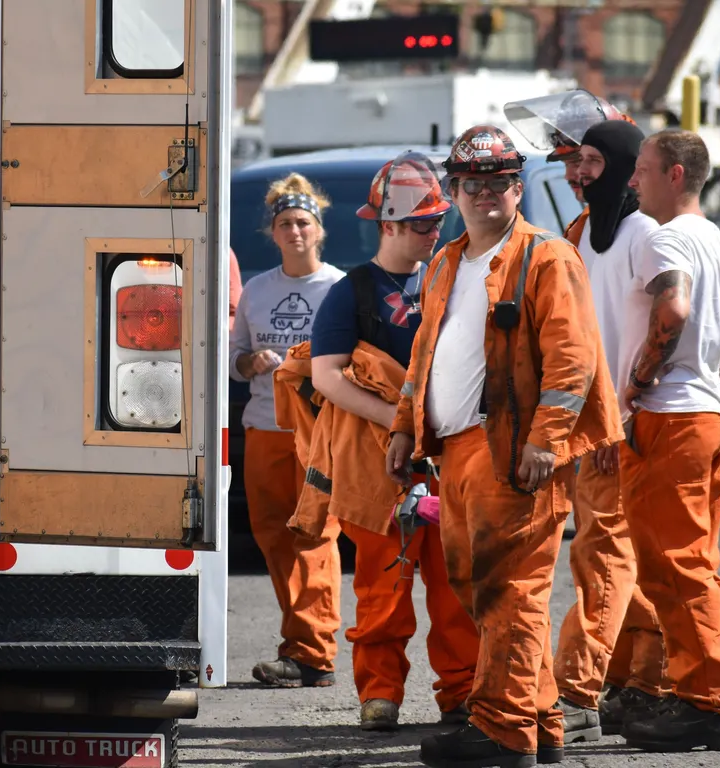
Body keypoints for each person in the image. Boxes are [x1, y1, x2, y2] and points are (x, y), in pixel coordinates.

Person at [385, 125, 623, 768]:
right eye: (473, 185)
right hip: (458, 450)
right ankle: (542, 721)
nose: (486, 195)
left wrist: (546, 441)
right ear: (454, 190)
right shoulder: (445, 261)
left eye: (499, 184)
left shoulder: (546, 257)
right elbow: (423, 354)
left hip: (515, 453)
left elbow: (572, 360)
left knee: (511, 589)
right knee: (476, 585)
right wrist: (406, 425)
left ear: (518, 188)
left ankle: (503, 731)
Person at [276, 152, 479, 731]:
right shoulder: (352, 291)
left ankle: (461, 694)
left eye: (437, 221)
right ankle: (380, 695)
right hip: (378, 470)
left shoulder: (452, 278)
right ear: (386, 224)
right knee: (382, 591)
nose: (433, 232)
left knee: (454, 589)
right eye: (421, 223)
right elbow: (326, 375)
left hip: (445, 463)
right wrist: (403, 418)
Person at [507, 91, 668, 741]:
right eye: (570, 162)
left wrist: (623, 411)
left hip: (621, 429)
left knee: (605, 559)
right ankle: (647, 682)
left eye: (588, 163)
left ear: (626, 167)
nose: (575, 174)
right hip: (581, 429)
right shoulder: (578, 234)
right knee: (628, 558)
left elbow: (670, 320)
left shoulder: (644, 235)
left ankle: (576, 692)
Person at [618, 129, 720, 753]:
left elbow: (672, 311)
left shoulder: (667, 237)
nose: (632, 181)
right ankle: (695, 690)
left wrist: (640, 378)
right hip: (708, 416)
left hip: (672, 416)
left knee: (674, 565)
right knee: (694, 561)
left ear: (673, 175)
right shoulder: (718, 239)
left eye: (641, 171)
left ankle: (709, 703)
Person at [229, 174, 345, 688]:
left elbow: (356, 362)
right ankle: (301, 643)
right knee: (273, 536)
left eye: (302, 223)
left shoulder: (339, 288)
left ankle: (314, 651)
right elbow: (232, 360)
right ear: (272, 234)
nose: (294, 231)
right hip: (263, 429)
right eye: (284, 224)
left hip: (320, 433)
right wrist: (250, 361)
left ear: (318, 230)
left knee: (315, 535)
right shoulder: (257, 289)